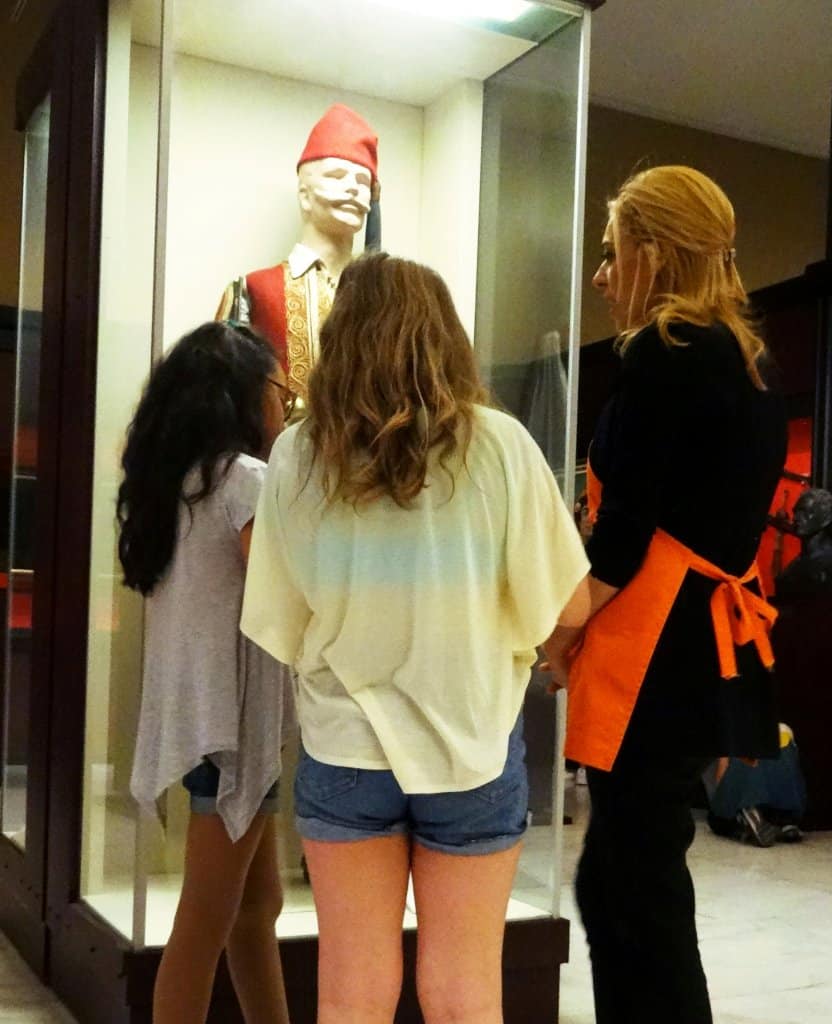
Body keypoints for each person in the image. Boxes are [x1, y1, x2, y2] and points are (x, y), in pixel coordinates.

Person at [241, 252, 591, 1024]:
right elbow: (566, 603)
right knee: (465, 993)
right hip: (471, 743)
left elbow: (279, 619)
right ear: (447, 335)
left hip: (344, 744)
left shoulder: (299, 451)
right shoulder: (500, 445)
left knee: (351, 992)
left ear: (340, 337)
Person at [544, 166, 787, 1024]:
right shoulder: (750, 359)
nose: (601, 275)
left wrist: (556, 632)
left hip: (653, 647)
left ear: (652, 252)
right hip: (703, 646)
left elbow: (622, 537)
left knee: (632, 887)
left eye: (613, 254)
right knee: (630, 878)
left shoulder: (664, 349)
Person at [119, 322, 296, 1024]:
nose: (285, 404)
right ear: (247, 396)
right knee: (204, 923)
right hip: (233, 728)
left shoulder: (180, 482)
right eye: (281, 390)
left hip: (207, 720)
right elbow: (281, 590)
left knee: (256, 906)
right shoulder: (244, 479)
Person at [215, 103, 380, 406]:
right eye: (337, 176)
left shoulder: (382, 295)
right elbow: (220, 396)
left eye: (362, 181)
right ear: (305, 194)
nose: (353, 189)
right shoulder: (251, 290)